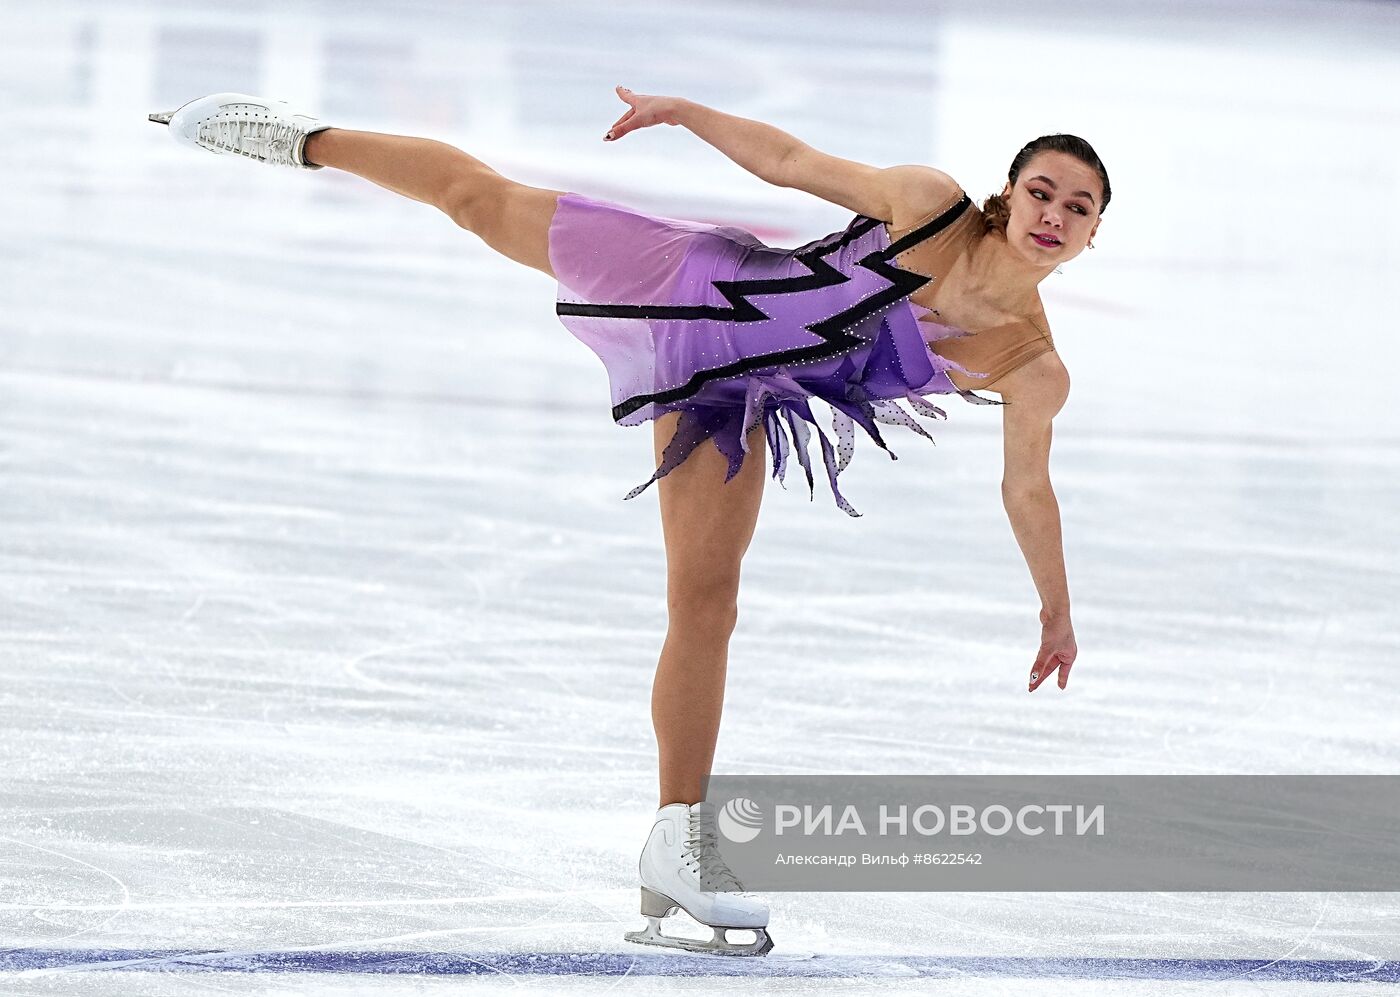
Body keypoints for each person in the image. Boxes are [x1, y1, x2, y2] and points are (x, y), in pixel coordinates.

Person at [149, 87, 1109, 957]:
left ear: (1094, 233)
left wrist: (1055, 610)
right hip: (691, 280)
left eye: (1078, 207)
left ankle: (676, 838)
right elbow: (787, 161)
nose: (1054, 216)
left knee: (706, 599)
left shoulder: (1030, 365)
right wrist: (689, 112)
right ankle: (295, 137)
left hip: (735, 392)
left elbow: (1028, 489)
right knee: (480, 203)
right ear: (1007, 196)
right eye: (1043, 192)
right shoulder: (928, 208)